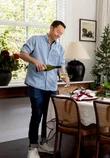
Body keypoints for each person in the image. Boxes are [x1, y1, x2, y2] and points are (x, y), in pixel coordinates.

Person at [20, 20, 69, 158]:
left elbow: (61, 67)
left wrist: (65, 77)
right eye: (57, 31)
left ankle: (44, 142)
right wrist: (35, 61)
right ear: (51, 28)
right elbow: (22, 53)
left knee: (48, 117)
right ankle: (32, 148)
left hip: (52, 86)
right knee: (37, 114)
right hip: (36, 84)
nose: (59, 35)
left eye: (61, 33)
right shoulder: (35, 40)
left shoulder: (60, 48)